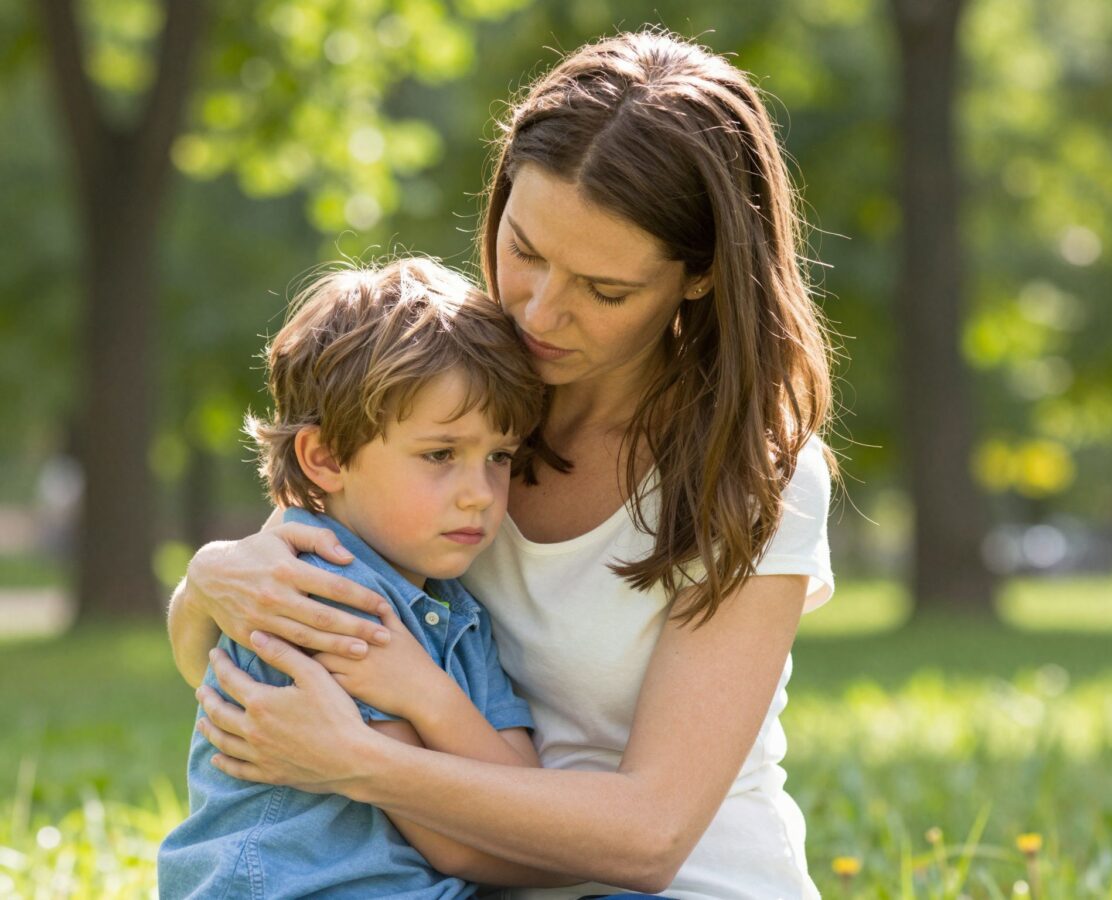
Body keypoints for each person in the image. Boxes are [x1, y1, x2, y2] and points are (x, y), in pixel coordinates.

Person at [167, 29, 837, 900]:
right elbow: (266, 668)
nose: (542, 312)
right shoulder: (448, 392)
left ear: (699, 277)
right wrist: (214, 579)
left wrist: (362, 763)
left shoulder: (751, 472)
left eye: (605, 290)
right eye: (524, 250)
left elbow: (649, 840)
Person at [159, 257, 585, 897]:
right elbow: (462, 841)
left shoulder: (455, 607)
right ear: (326, 457)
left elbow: (521, 786)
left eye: (499, 456)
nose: (479, 494)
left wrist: (424, 694)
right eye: (440, 454)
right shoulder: (318, 592)